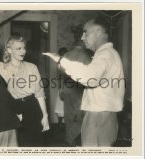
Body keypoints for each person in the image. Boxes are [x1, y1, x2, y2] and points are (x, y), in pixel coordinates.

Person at [43, 17, 125, 147]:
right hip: (105, 114)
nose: (82, 37)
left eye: (85, 32)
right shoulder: (109, 53)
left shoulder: (105, 55)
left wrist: (61, 60)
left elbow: (90, 77)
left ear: (98, 32)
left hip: (98, 115)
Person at [0, 34, 49, 147]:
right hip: (13, 109)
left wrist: (45, 116)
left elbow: (39, 93)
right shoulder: (2, 68)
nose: (23, 51)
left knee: (35, 145)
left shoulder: (32, 67)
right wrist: (12, 112)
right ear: (9, 50)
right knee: (16, 145)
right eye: (18, 48)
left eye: (24, 48)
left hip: (32, 106)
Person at [59, 24, 92, 146]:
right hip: (80, 91)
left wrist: (62, 89)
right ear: (82, 40)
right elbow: (90, 78)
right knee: (80, 119)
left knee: (70, 118)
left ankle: (70, 142)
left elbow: (62, 73)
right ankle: (77, 144)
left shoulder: (67, 55)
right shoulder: (86, 56)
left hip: (68, 89)